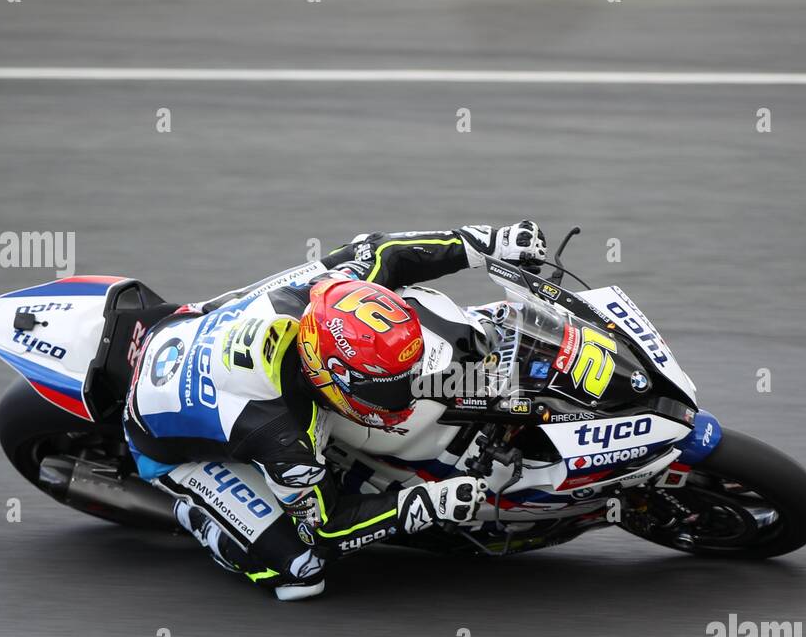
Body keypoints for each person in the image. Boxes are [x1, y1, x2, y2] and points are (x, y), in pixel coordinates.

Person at [122, 221, 547, 599]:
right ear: (330, 375)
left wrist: (488, 242)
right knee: (300, 571)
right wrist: (424, 503)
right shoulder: (283, 437)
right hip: (158, 441)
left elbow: (385, 251)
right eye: (391, 387)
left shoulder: (332, 292)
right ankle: (187, 508)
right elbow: (325, 527)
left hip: (185, 324)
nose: (410, 391)